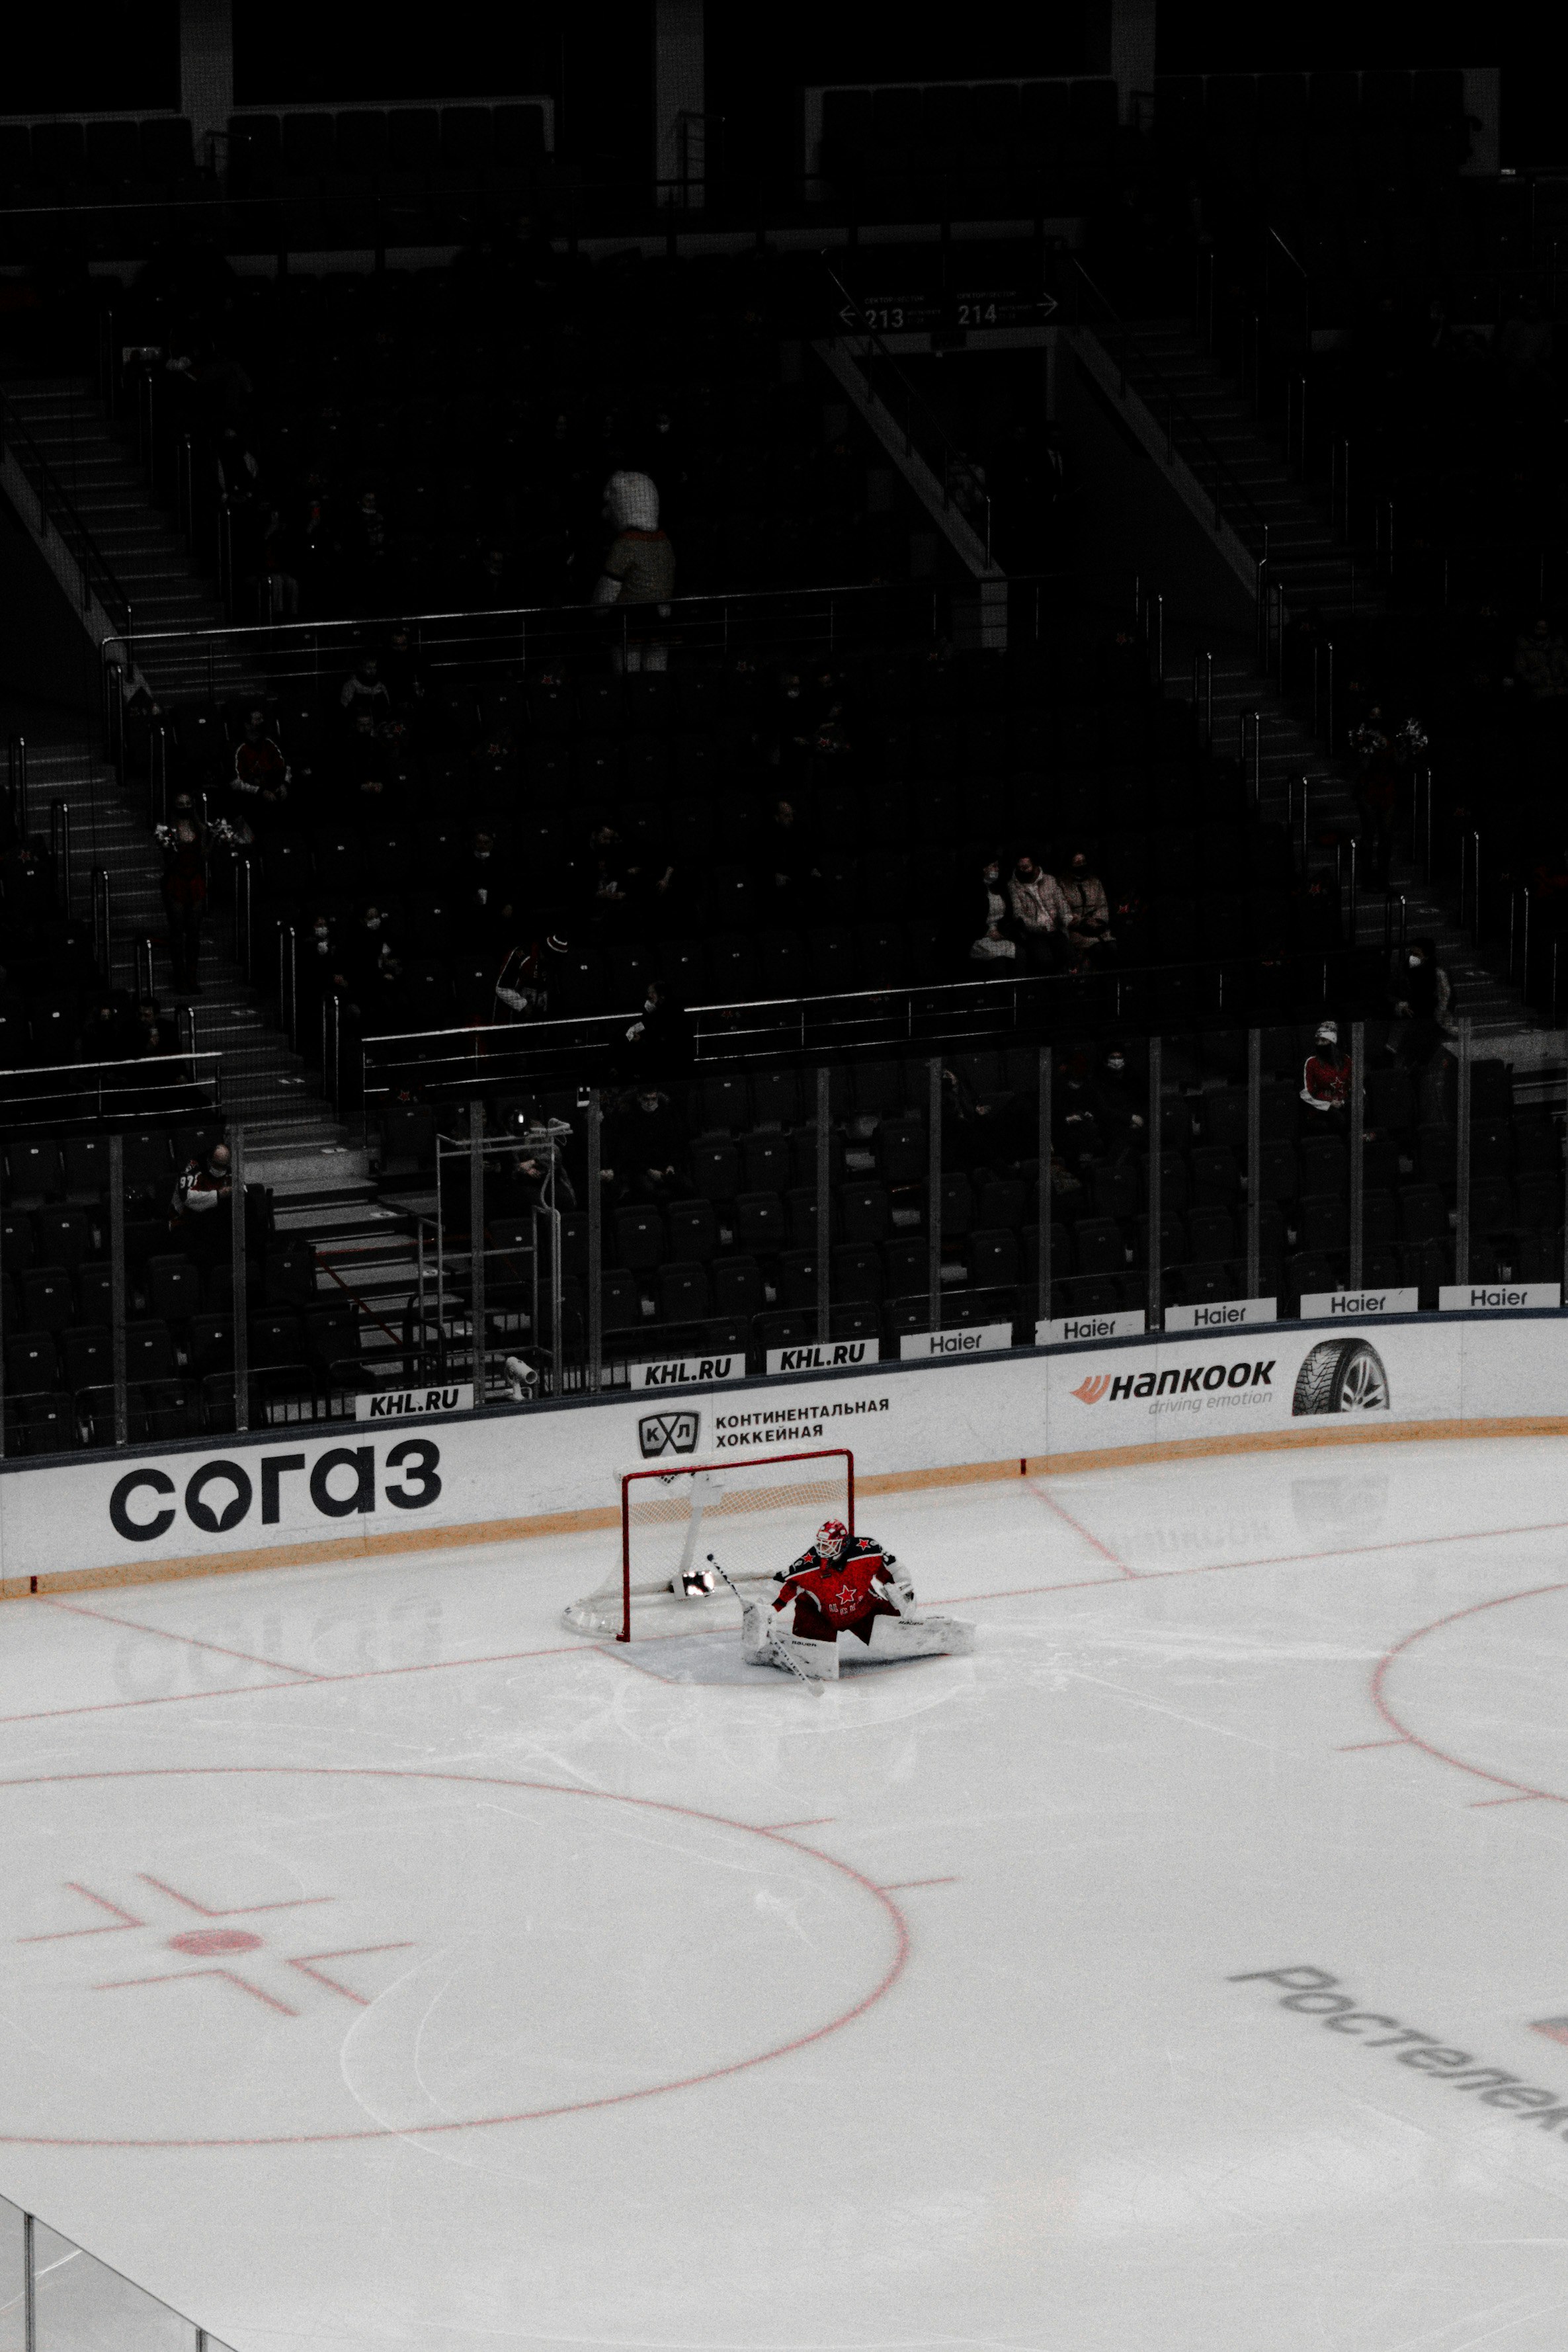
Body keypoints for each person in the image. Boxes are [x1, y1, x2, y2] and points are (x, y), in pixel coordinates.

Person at [739, 1520, 973, 1681]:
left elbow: (893, 1569)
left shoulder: (867, 1551)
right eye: (819, 1544)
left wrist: (904, 1590)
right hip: (820, 1617)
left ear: (842, 1543)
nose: (821, 1550)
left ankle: (940, 1634)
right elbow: (781, 1586)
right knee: (820, 1662)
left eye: (827, 1545)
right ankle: (766, 1651)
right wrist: (764, 1610)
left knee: (896, 1636)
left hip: (862, 1608)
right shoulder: (807, 1565)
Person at [591, 470, 675, 672]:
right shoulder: (665, 542)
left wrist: (596, 610)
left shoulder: (626, 544)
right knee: (657, 677)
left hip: (629, 622)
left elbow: (606, 594)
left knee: (628, 680)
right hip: (661, 619)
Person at [155, 795, 212, 995]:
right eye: (181, 804)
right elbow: (168, 861)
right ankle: (179, 977)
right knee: (177, 932)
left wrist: (213, 841)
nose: (185, 807)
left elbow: (203, 857)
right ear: (174, 807)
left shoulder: (201, 828)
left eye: (188, 804)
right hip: (176, 880)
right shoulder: (167, 831)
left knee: (194, 933)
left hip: (195, 880)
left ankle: (192, 976)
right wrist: (172, 847)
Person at [1007, 853, 1071, 971]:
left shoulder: (1050, 880)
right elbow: (1018, 914)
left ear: (1035, 866)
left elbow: (1062, 904)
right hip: (1034, 933)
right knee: (1044, 960)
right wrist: (1039, 927)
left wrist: (1069, 920)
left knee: (1065, 956)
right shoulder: (1013, 886)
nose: (1023, 871)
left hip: (1055, 929)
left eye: (1026, 867)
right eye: (1020, 868)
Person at [1059, 847, 1114, 957]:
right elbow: (1063, 912)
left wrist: (1098, 921)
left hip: (1097, 928)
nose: (1081, 865)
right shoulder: (1062, 885)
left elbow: (1102, 906)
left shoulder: (1095, 882)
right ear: (1070, 864)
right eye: (1078, 863)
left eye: (1084, 862)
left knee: (1112, 947)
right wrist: (1083, 922)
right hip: (1076, 931)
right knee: (1097, 949)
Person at [1300, 1021, 1352, 1119]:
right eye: (1317, 1041)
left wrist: (1345, 1101)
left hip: (1344, 1102)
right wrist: (1329, 1104)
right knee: (1338, 1118)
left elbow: (1355, 1085)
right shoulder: (1312, 1062)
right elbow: (1305, 1093)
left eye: (1323, 1041)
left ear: (1332, 1042)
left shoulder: (1346, 1060)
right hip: (1323, 1106)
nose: (1319, 1044)